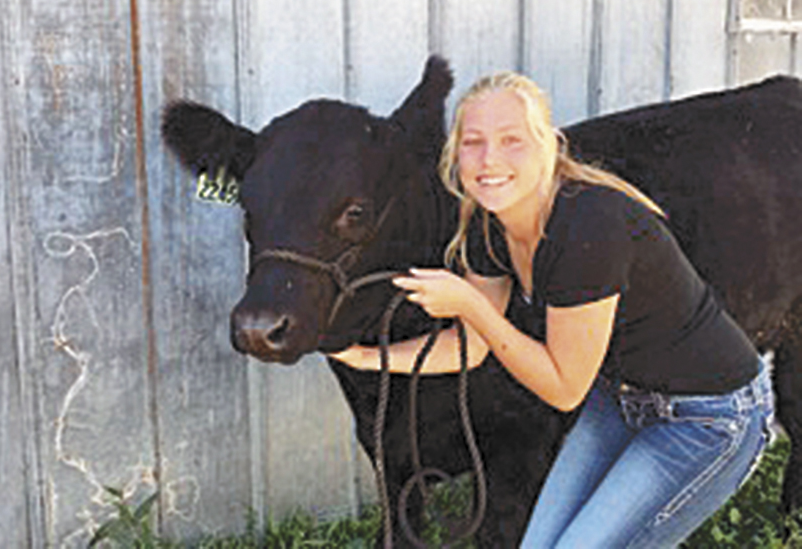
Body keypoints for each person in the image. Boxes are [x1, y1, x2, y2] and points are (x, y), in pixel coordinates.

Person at [331, 71, 775, 547]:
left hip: (707, 417)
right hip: (622, 402)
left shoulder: (588, 227)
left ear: (548, 144)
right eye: (473, 142)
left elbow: (563, 388)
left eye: (511, 140)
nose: (489, 159)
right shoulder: (487, 226)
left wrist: (470, 306)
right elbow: (471, 348)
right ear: (454, 153)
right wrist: (365, 358)